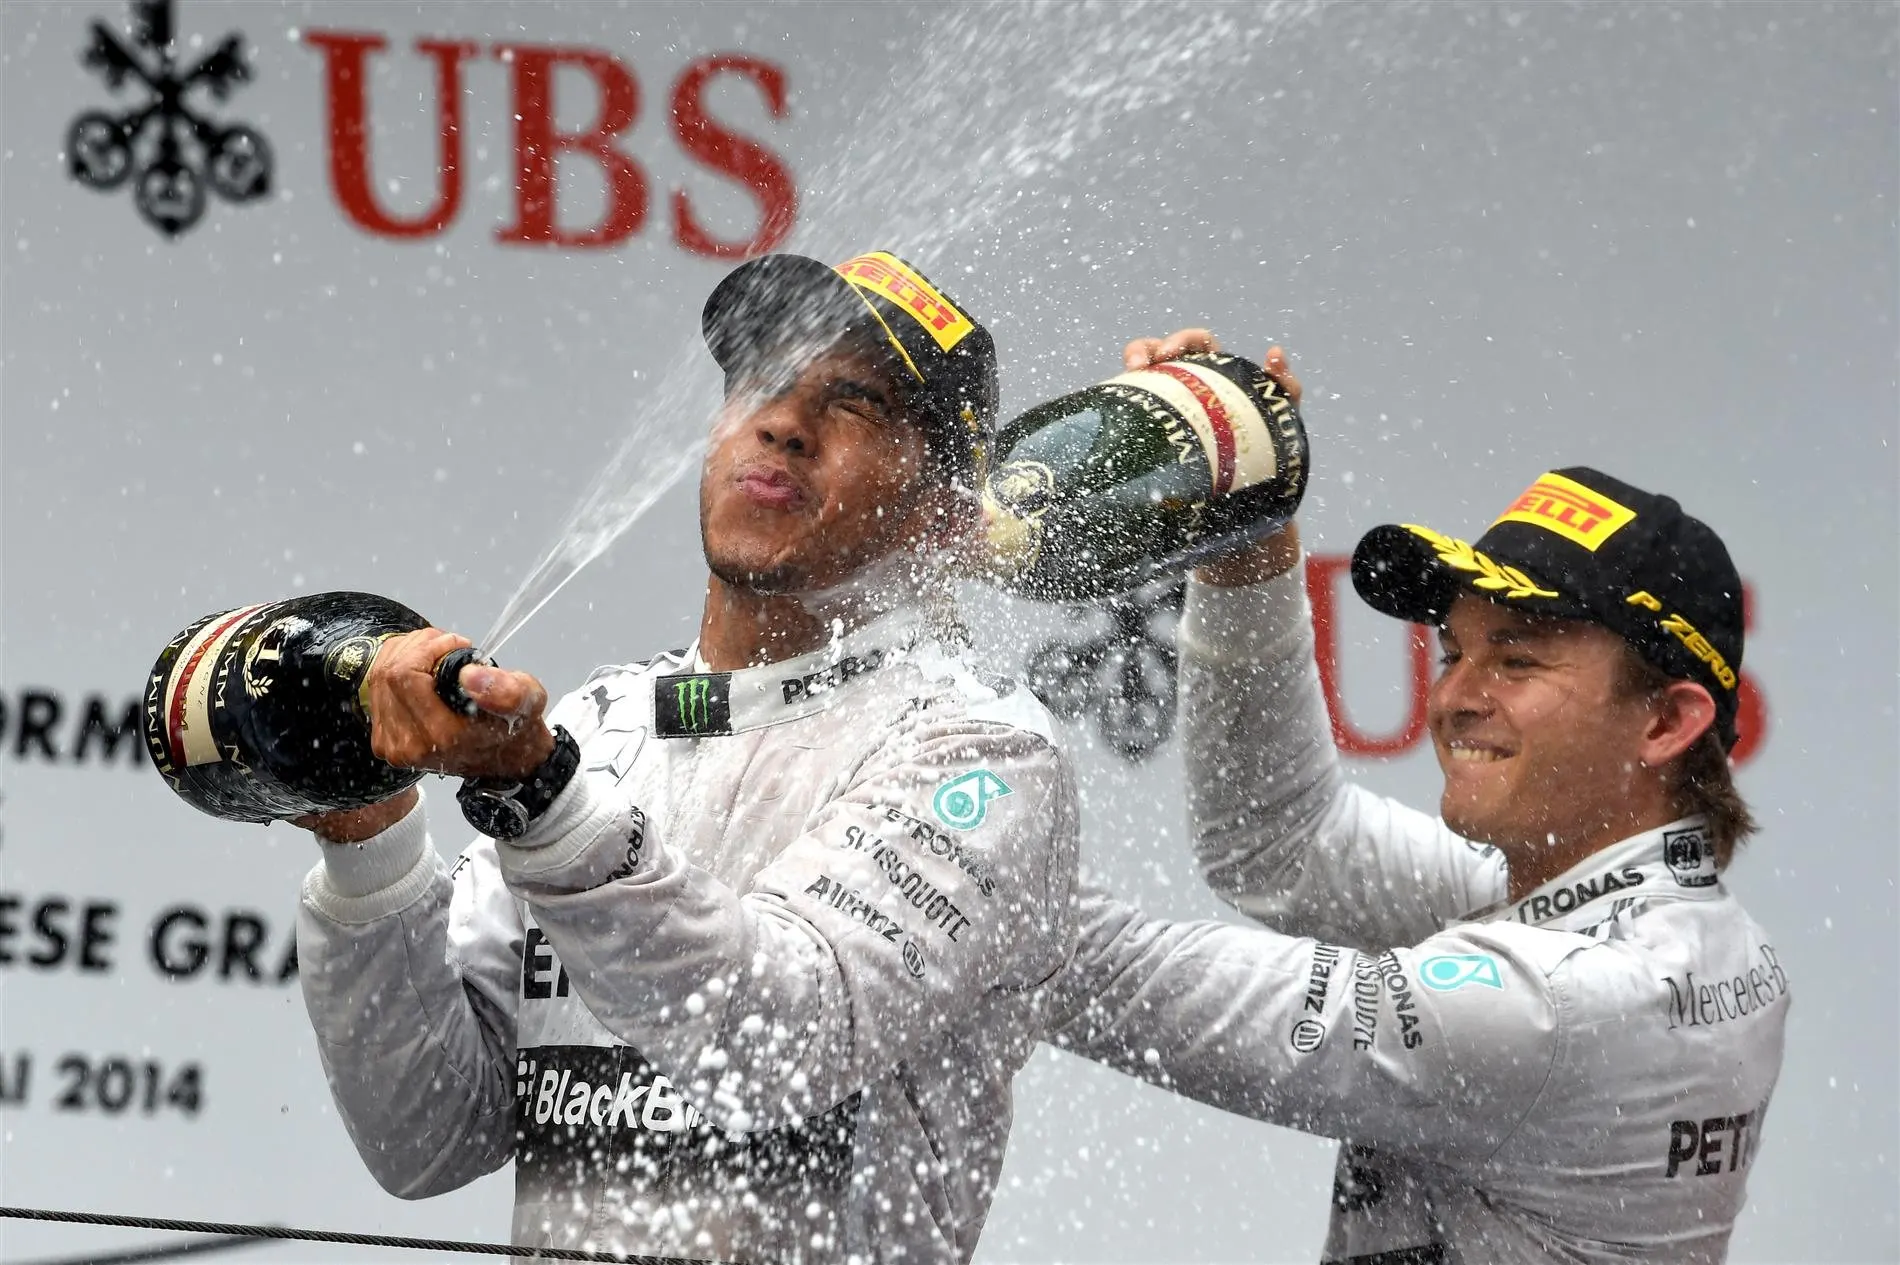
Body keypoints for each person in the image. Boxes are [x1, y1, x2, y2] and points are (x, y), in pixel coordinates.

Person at [292, 251, 1080, 1265]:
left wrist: (539, 793)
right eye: (761, 382)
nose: (784, 422)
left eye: (852, 401)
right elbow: (429, 1134)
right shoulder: (603, 725)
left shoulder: (981, 750)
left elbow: (778, 1039)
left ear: (938, 514)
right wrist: (369, 847)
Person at [1051, 333, 1788, 1263]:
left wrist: (937, 865)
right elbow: (1279, 843)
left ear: (1665, 722)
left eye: (1517, 656)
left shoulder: (1569, 1003)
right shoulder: (1631, 911)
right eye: (1454, 652)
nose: (1452, 697)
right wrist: (1248, 549)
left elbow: (1129, 984)